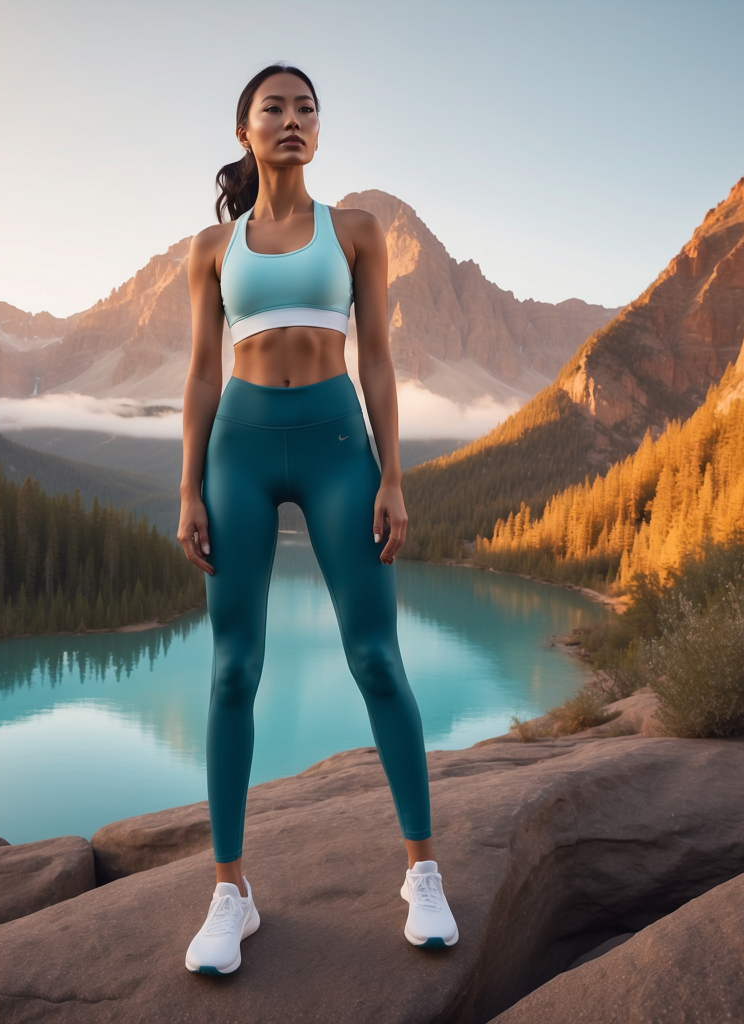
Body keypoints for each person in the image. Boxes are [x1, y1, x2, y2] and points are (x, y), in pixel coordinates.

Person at [177, 63, 458, 976]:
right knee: (233, 672)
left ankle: (422, 874)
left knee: (377, 655)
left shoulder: (358, 233)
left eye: (306, 108)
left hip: (341, 445)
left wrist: (394, 477)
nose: (292, 120)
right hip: (240, 452)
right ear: (244, 131)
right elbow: (199, 378)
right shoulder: (212, 252)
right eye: (273, 108)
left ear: (318, 130)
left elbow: (377, 359)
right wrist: (188, 489)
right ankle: (232, 894)